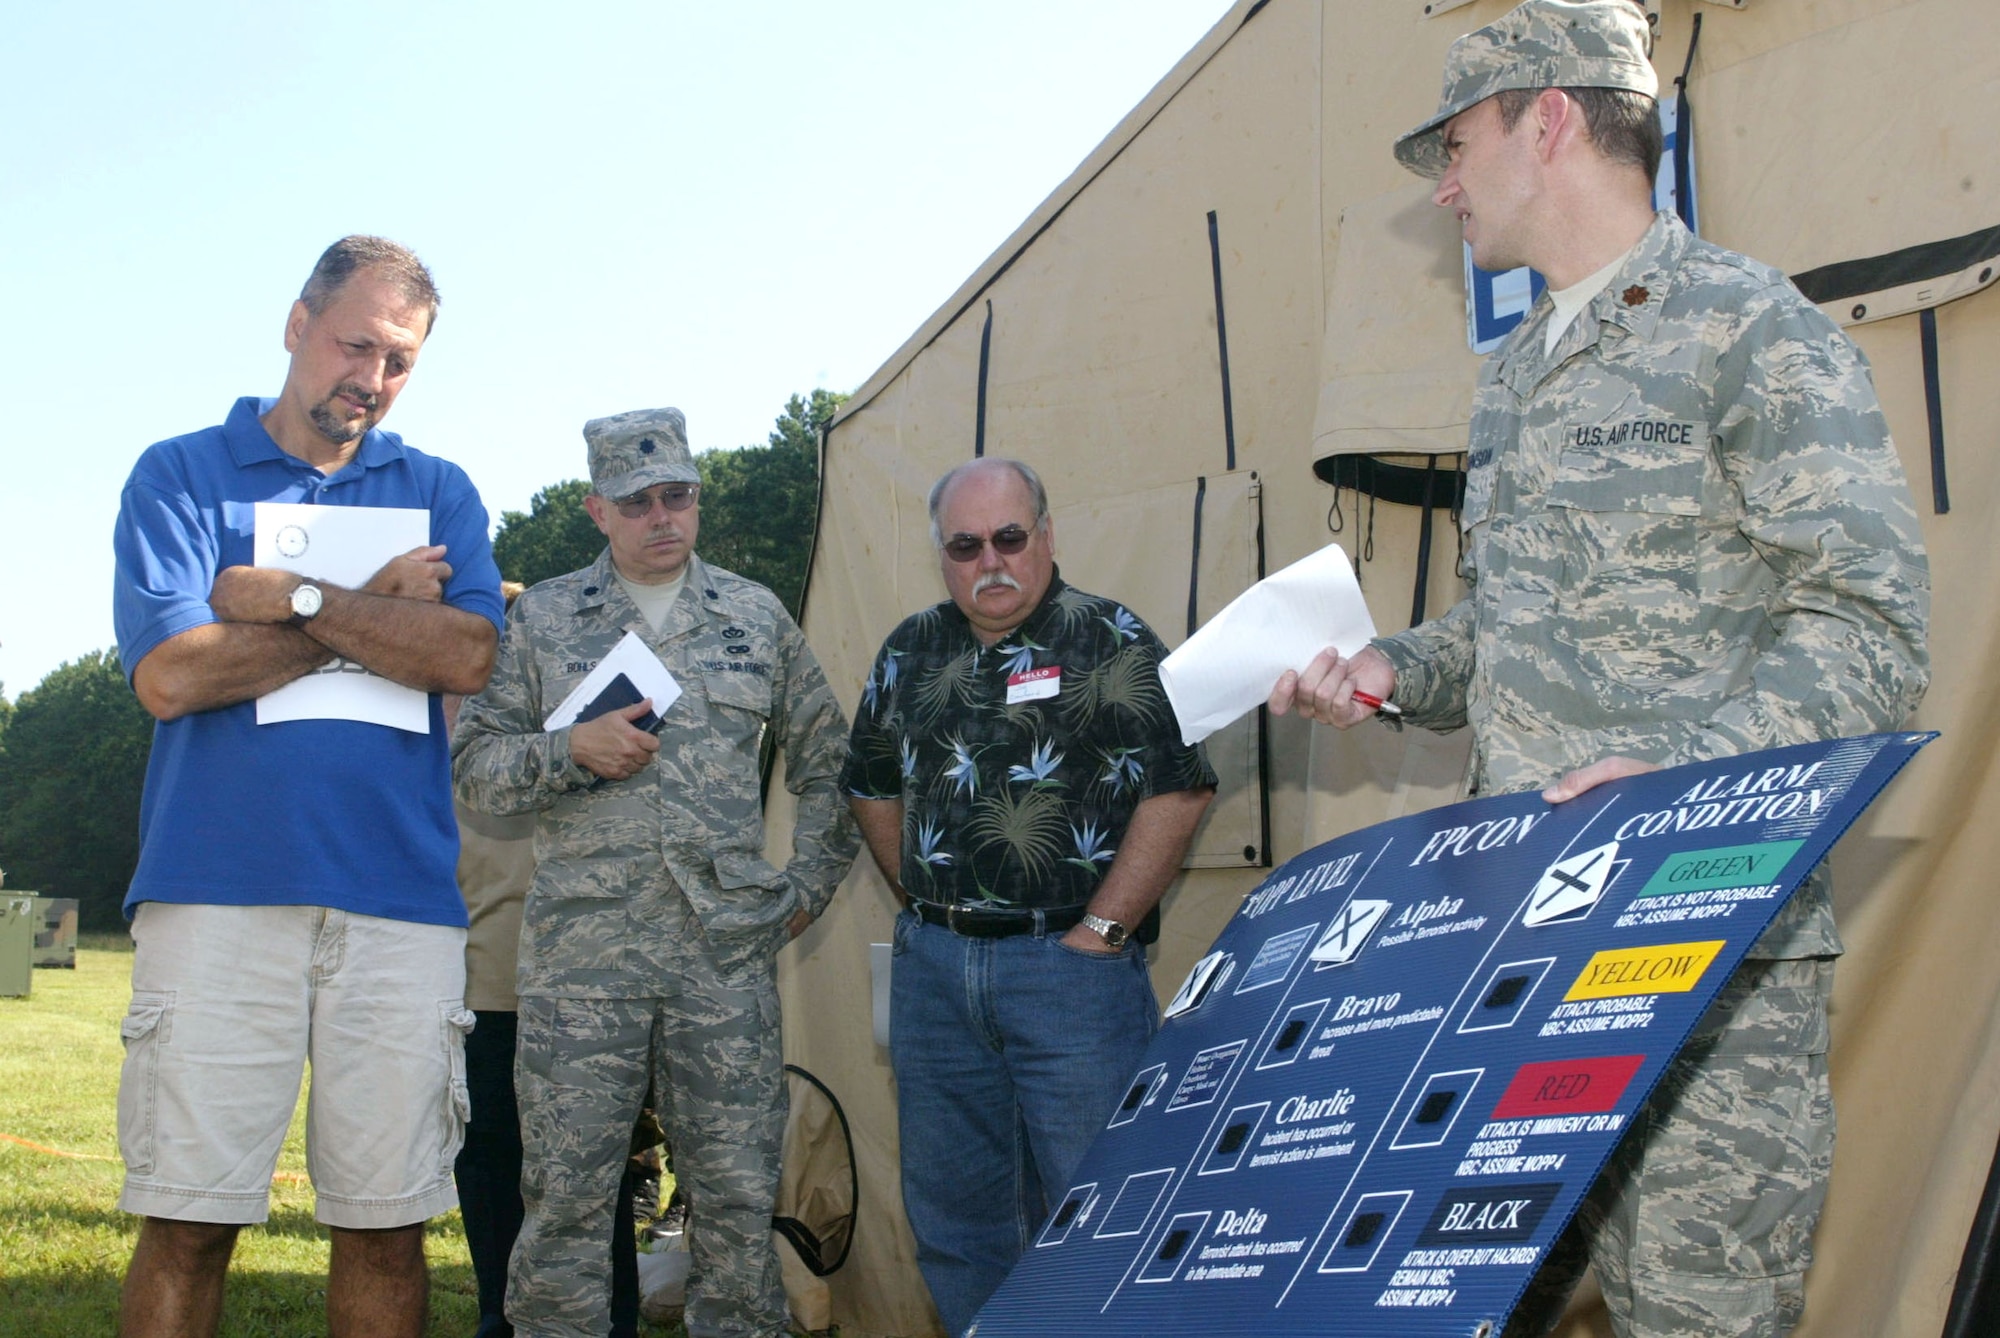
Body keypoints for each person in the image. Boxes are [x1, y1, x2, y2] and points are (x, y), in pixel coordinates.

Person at [1269, 3, 1931, 1335]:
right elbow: (1504, 633)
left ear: (1551, 119)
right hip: (1531, 957)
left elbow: (1870, 629)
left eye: (1457, 144)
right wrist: (1387, 669)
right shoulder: (1513, 379)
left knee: (1698, 1312)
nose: (1445, 185)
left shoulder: (1751, 329)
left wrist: (1678, 780)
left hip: (1703, 956)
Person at [111, 235, 505, 1338]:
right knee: (187, 1222)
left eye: (400, 361)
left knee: (384, 1227)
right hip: (215, 893)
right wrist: (382, 611)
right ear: (296, 324)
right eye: (355, 345)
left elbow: (468, 657)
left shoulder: (438, 491)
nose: (371, 380)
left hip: (401, 906)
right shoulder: (179, 474)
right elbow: (173, 676)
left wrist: (297, 600)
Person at [452, 406, 858, 1338]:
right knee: (564, 1200)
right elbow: (473, 765)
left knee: (738, 1201)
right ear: (598, 510)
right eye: (637, 503)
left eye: (677, 495)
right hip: (584, 967)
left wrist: (803, 889)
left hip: (722, 959)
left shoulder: (754, 615)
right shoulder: (547, 618)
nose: (661, 516)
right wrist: (568, 750)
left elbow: (832, 762)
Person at [842, 457, 1217, 1335]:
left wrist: (1101, 930)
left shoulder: (1111, 639)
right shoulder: (910, 649)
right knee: (957, 1221)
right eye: (965, 545)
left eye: (1010, 537)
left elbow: (1181, 784)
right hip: (936, 975)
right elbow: (867, 784)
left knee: (1100, 1215)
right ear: (942, 554)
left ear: (1046, 537)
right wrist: (931, 905)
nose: (991, 561)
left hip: (1072, 975)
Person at [446, 583, 650, 1338]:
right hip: (476, 990)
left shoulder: (573, 719)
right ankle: (500, 1313)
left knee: (588, 1184)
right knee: (491, 1171)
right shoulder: (428, 722)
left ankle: (611, 1322)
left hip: (577, 983)